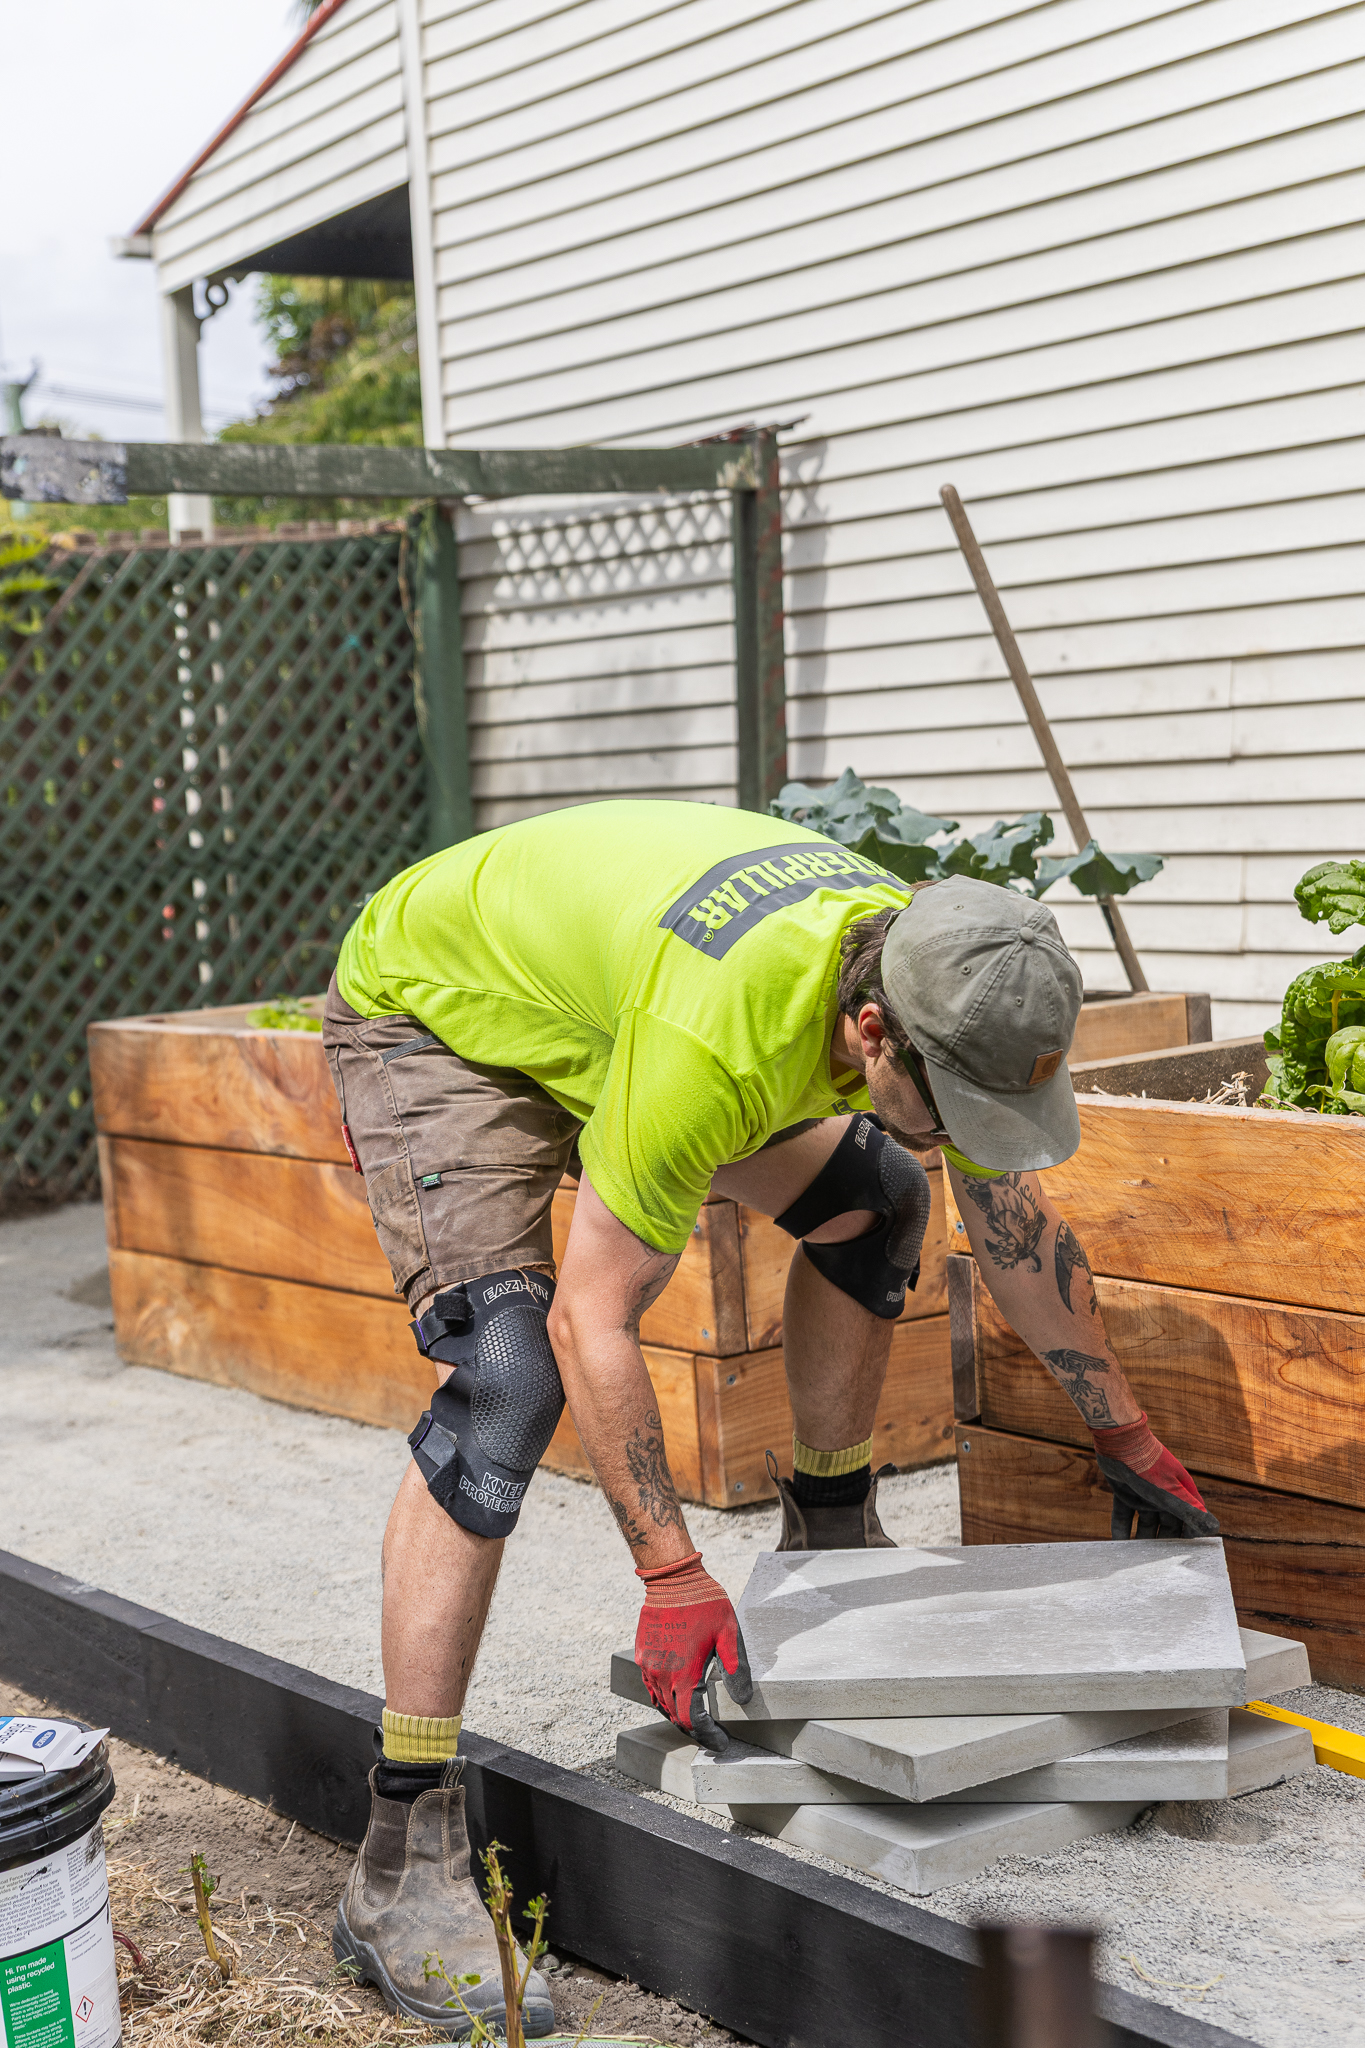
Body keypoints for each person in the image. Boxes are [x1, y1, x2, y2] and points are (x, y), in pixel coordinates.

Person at [321, 799, 1214, 2037]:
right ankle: (401, 1847)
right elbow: (597, 1320)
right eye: (950, 1101)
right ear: (869, 1032)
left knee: (884, 1197)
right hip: (437, 1013)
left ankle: (830, 1541)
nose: (969, 1136)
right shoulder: (721, 1035)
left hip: (604, 1000)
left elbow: (1005, 1223)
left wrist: (1121, 1427)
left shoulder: (937, 976)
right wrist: (673, 1572)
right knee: (511, 1375)